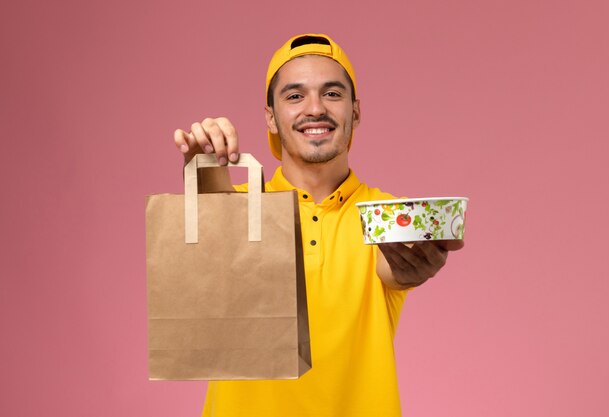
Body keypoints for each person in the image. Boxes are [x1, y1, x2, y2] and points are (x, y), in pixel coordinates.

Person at [173, 33, 463, 417]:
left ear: (356, 111)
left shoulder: (384, 214)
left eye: (332, 94)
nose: (315, 109)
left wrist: (411, 267)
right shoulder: (240, 208)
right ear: (270, 118)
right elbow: (212, 225)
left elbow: (393, 267)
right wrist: (203, 162)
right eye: (294, 96)